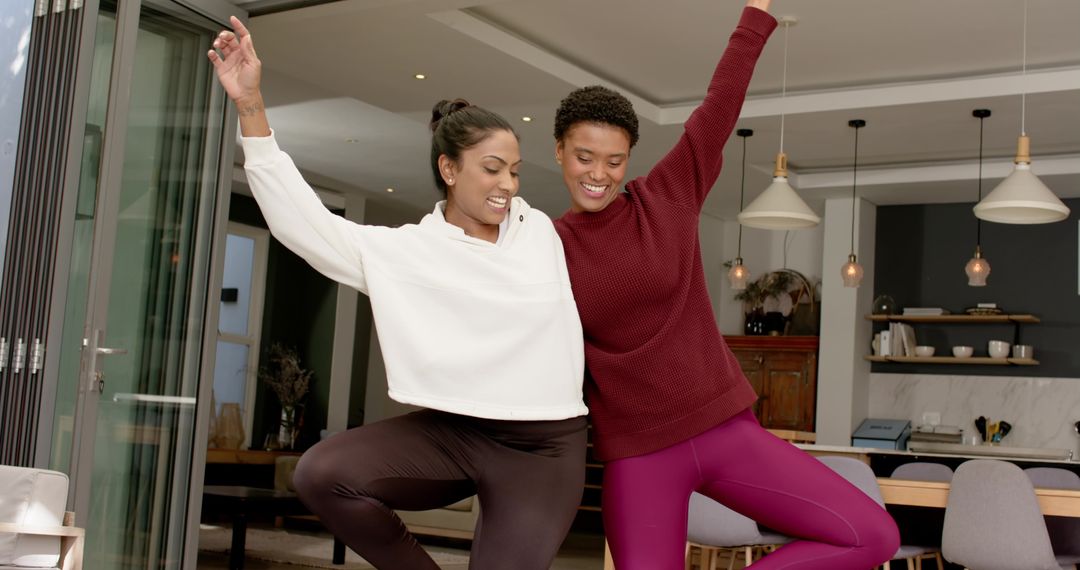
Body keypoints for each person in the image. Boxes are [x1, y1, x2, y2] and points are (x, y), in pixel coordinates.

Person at [208, 17, 588, 570]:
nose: (507, 184)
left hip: (544, 448)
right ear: (448, 169)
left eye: (514, 171)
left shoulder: (543, 234)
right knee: (321, 473)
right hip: (455, 432)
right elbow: (299, 221)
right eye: (491, 169)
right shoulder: (407, 251)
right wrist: (250, 104)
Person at [550, 1, 900, 568]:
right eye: (585, 157)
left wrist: (754, 17)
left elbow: (718, 107)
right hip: (638, 455)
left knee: (870, 535)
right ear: (560, 150)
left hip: (724, 429)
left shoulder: (667, 196)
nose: (599, 173)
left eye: (614, 161)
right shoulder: (544, 245)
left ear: (629, 159)